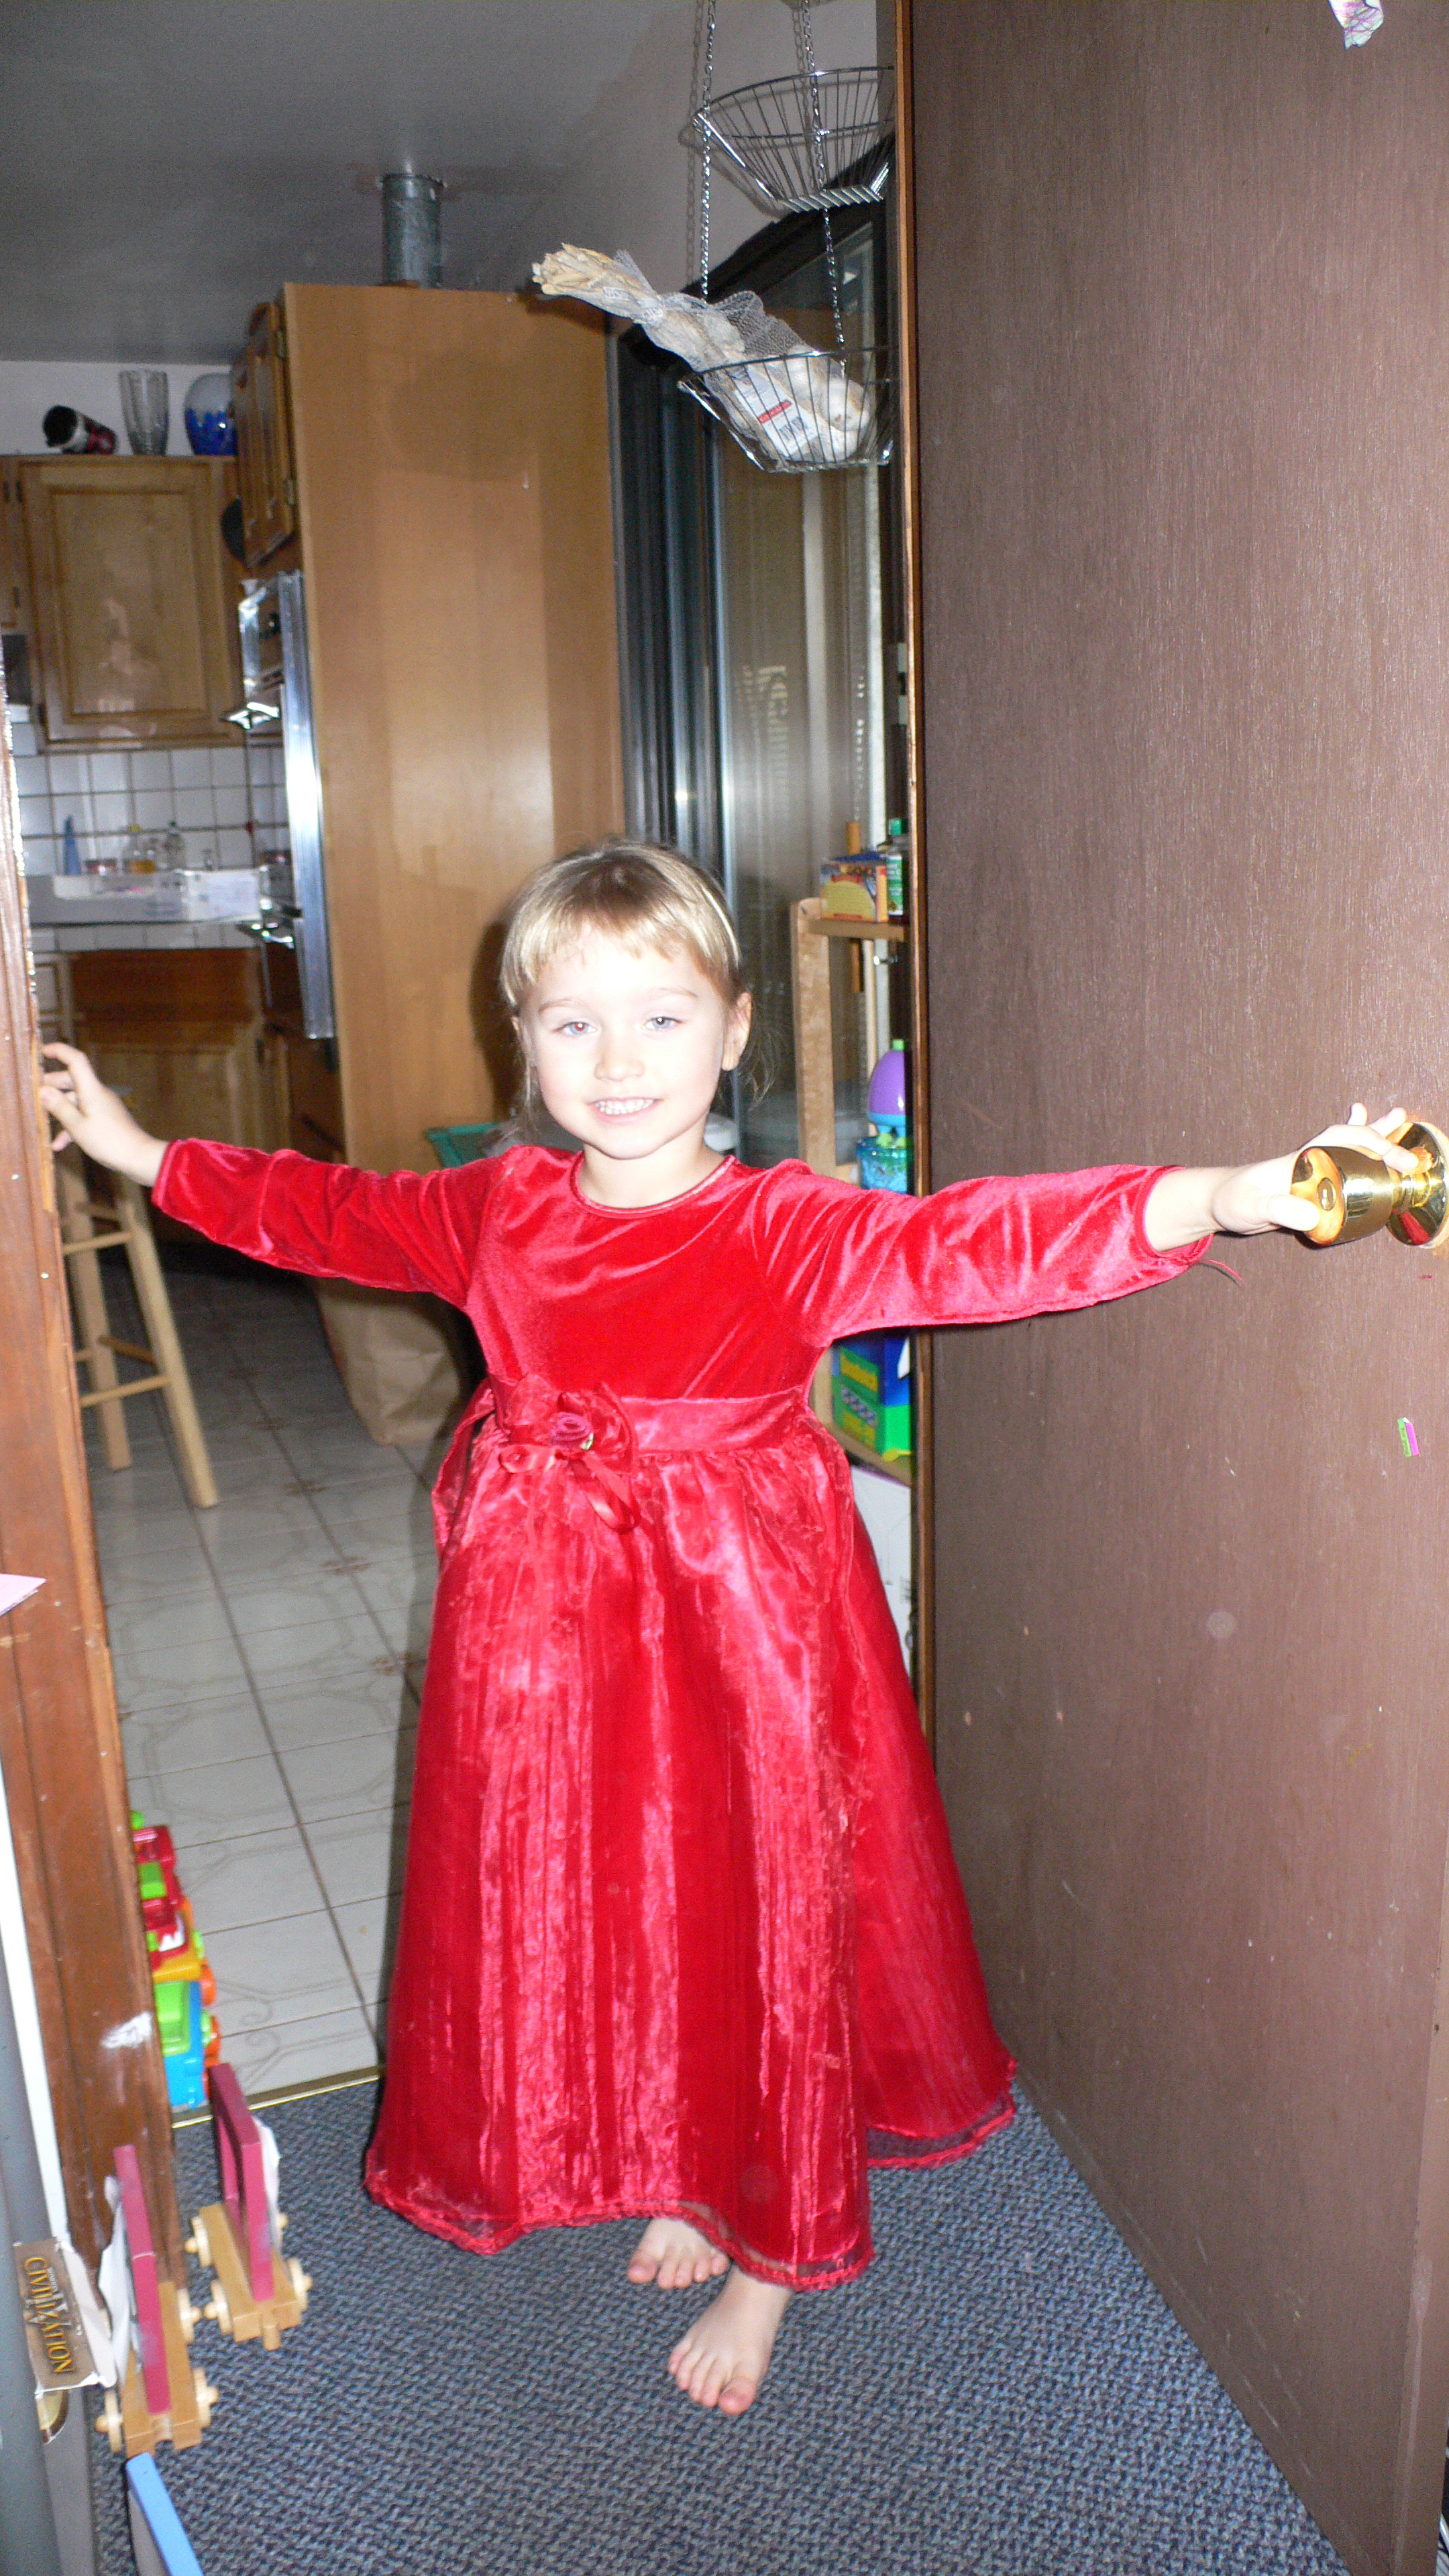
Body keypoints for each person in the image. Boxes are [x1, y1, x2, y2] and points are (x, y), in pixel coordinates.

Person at [40, 841, 1409, 2419]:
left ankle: (772, 2240)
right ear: (521, 1041)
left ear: (737, 1028)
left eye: (662, 1018)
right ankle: (686, 2160)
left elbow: (977, 1239)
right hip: (541, 1634)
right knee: (621, 1905)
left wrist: (1228, 1194)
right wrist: (142, 1150)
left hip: (741, 1627)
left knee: (754, 1903)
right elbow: (327, 1210)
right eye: (574, 1024)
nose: (618, 1063)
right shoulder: (499, 1205)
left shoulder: (784, 1226)